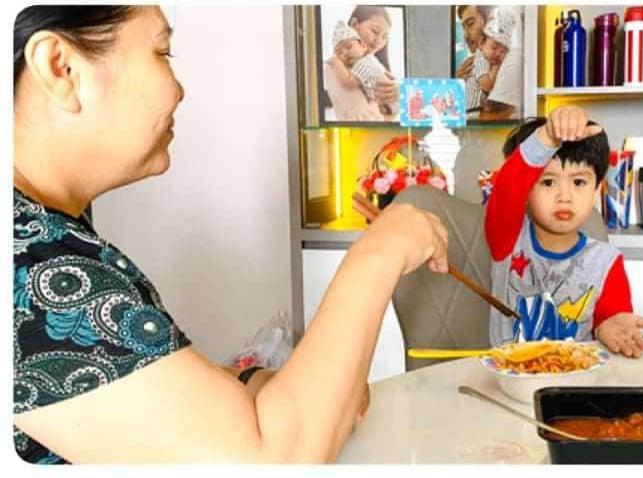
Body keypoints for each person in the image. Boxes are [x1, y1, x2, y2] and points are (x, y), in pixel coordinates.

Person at [13, 5, 449, 463]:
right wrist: (379, 253)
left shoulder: (42, 237)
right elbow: (269, 464)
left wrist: (252, 387)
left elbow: (126, 398)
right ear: (60, 68)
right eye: (162, 53)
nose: (179, 89)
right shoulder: (36, 270)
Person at [484, 106, 643, 357]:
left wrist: (608, 326)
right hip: (508, 374)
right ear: (525, 191)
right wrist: (546, 138)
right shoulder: (507, 239)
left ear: (597, 190)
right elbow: (507, 189)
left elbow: (613, 318)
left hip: (577, 376)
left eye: (579, 182)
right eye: (548, 182)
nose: (564, 196)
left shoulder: (606, 261)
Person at [323, 6, 399, 121]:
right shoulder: (335, 67)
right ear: (354, 24)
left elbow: (388, 117)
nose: (379, 41)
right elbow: (367, 119)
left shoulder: (372, 63)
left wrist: (398, 92)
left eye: (384, 37)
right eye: (374, 31)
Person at [329, 21, 392, 116]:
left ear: (363, 46)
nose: (345, 53)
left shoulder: (362, 64)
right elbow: (388, 75)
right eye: (339, 53)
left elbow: (349, 83)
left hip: (387, 102)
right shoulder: (371, 59)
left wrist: (336, 64)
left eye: (348, 47)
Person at [464, 9, 514, 113]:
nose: (498, 54)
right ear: (481, 43)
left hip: (480, 109)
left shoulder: (491, 59)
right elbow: (486, 86)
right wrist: (496, 67)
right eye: (494, 48)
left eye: (503, 51)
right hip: (471, 109)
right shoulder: (480, 59)